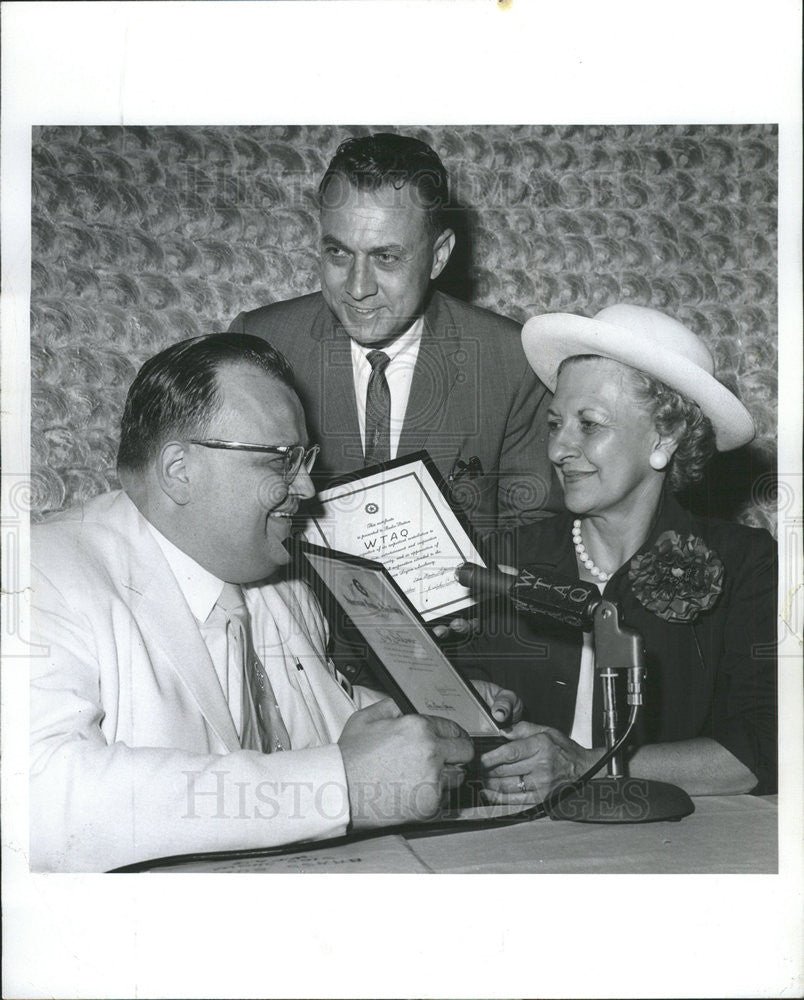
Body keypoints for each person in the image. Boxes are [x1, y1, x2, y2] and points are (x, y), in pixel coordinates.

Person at [30, 333, 524, 873]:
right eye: (281, 460)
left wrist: (431, 721)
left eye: (304, 457)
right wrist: (340, 788)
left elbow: (311, 713)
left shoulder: (281, 583)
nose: (308, 487)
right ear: (179, 471)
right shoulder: (40, 575)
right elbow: (40, 798)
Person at [464, 304, 777, 803]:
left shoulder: (747, 565)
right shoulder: (504, 559)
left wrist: (584, 767)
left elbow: (763, 746)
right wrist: (470, 701)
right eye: (554, 423)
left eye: (589, 425)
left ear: (665, 434)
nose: (558, 449)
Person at [229, 132, 559, 536]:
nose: (358, 286)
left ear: (438, 256)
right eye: (338, 253)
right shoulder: (259, 343)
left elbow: (533, 534)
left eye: (385, 258)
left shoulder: (511, 361)